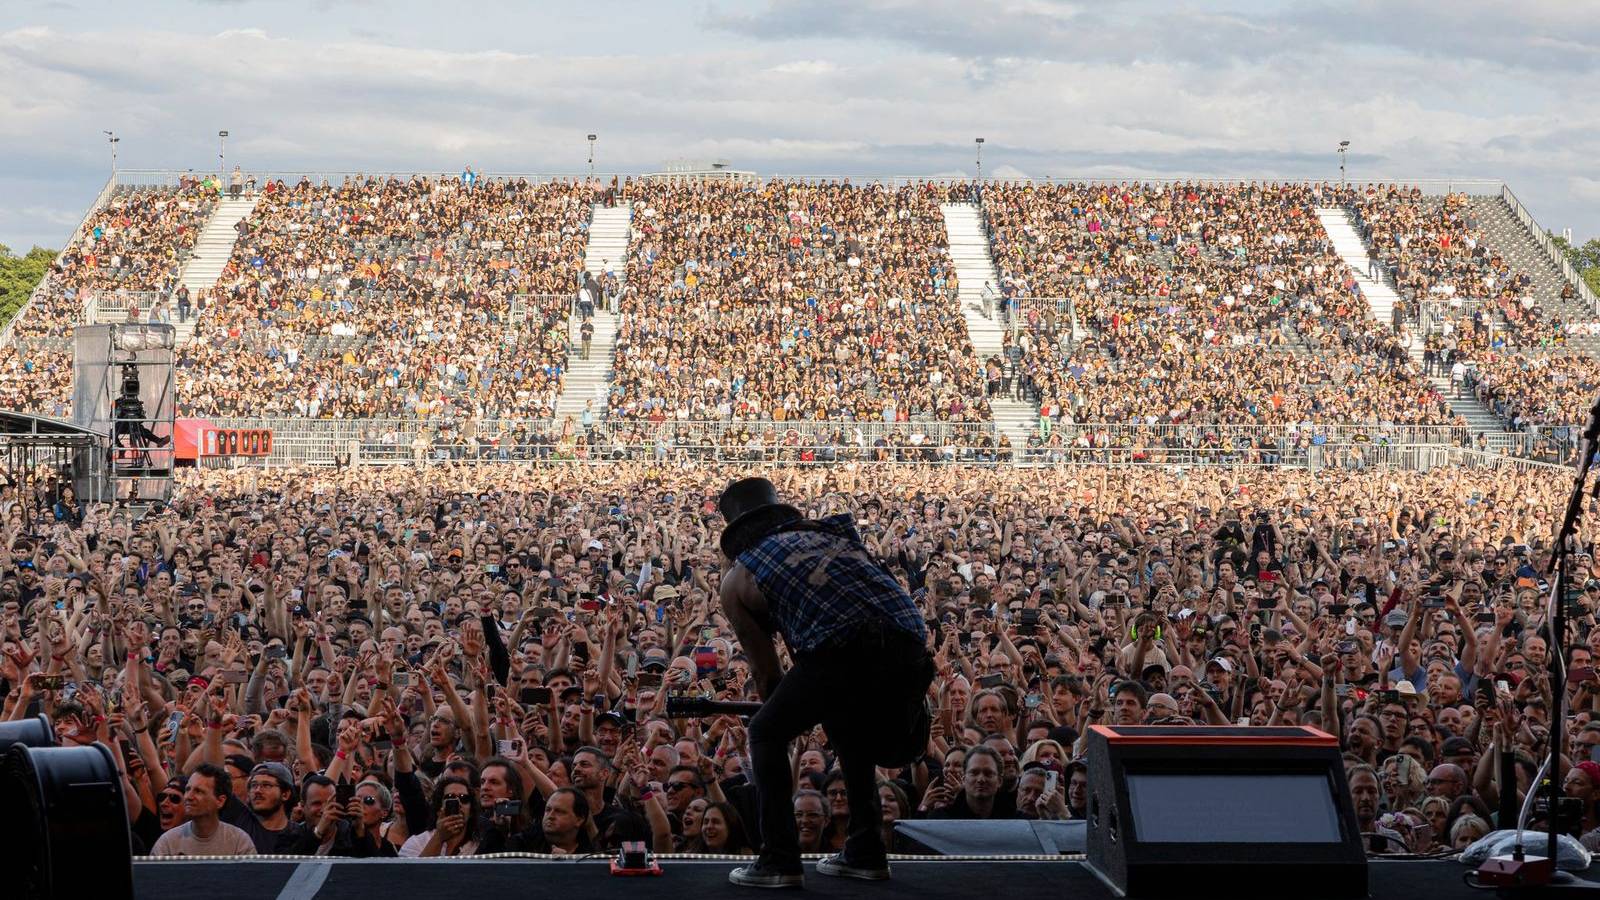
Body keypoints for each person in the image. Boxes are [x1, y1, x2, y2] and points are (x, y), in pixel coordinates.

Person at [717, 477, 933, 887]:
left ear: (736, 536)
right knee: (847, 729)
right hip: (909, 639)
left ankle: (778, 859)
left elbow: (767, 675)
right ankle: (866, 851)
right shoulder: (831, 537)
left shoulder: (739, 576)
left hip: (842, 645)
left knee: (765, 732)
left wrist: (784, 718)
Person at [150, 763, 258, 857]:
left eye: (198, 791)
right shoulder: (167, 843)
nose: (188, 797)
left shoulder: (239, 842)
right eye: (188, 789)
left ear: (220, 801)